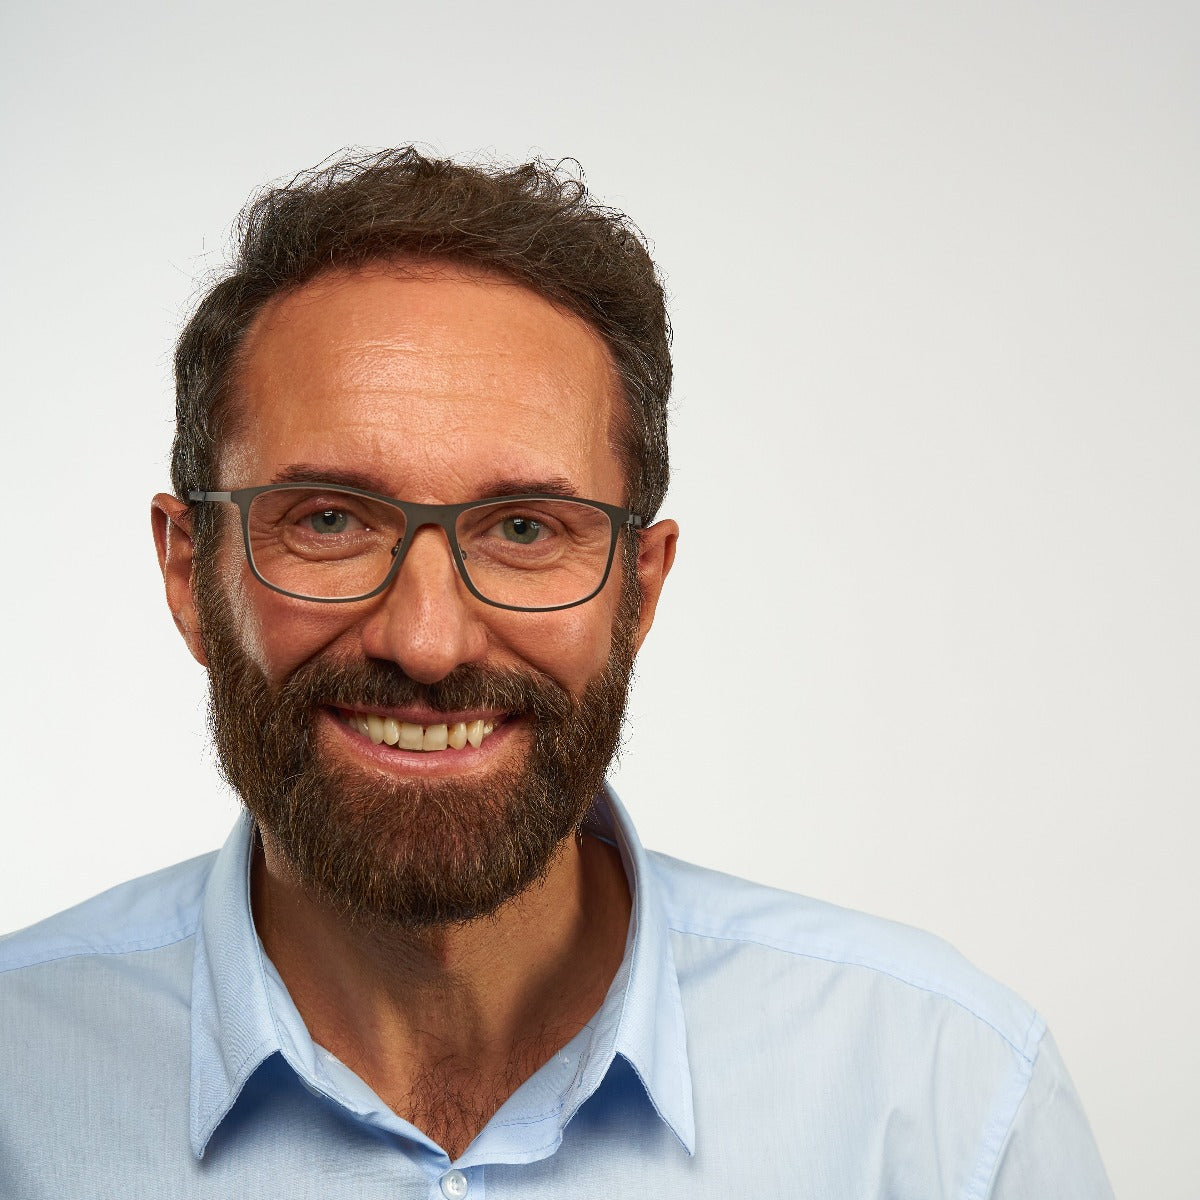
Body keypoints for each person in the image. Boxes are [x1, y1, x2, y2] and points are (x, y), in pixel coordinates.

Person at [0, 148, 1113, 1197]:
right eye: (329, 519)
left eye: (525, 530)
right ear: (189, 573)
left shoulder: (943, 1097)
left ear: (641, 590)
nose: (427, 642)